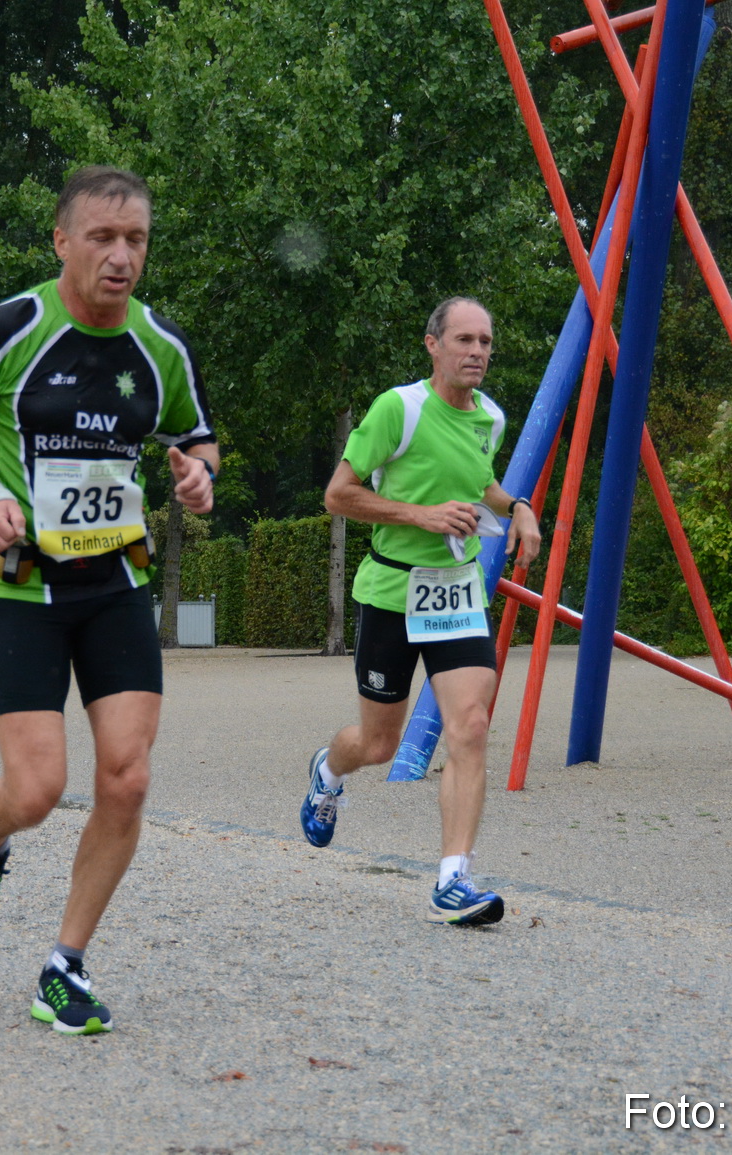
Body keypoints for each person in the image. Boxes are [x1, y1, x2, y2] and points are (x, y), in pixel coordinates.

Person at [0, 164, 217, 1036]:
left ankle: (63, 964)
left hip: (118, 582)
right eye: (104, 238)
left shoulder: (161, 344)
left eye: (138, 240)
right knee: (36, 789)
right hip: (27, 587)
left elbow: (195, 433)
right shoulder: (14, 327)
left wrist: (199, 475)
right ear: (62, 240)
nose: (122, 256)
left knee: (129, 775)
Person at [299, 298, 541, 926]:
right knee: (378, 744)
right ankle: (328, 771)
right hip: (393, 590)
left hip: (456, 592)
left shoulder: (491, 417)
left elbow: (479, 478)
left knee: (470, 725)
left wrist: (517, 505)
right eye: (464, 338)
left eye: (486, 341)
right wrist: (421, 515)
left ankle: (452, 881)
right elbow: (338, 495)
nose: (478, 351)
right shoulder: (397, 409)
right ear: (432, 344)